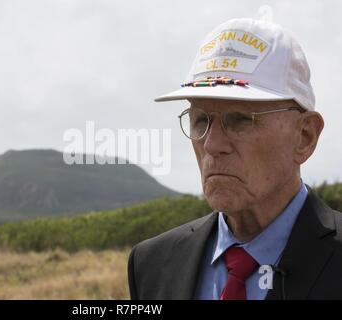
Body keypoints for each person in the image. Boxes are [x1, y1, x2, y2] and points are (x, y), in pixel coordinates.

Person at [127, 18, 342, 300]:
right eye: (200, 120)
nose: (212, 144)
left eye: (240, 120)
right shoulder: (152, 263)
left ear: (304, 136)